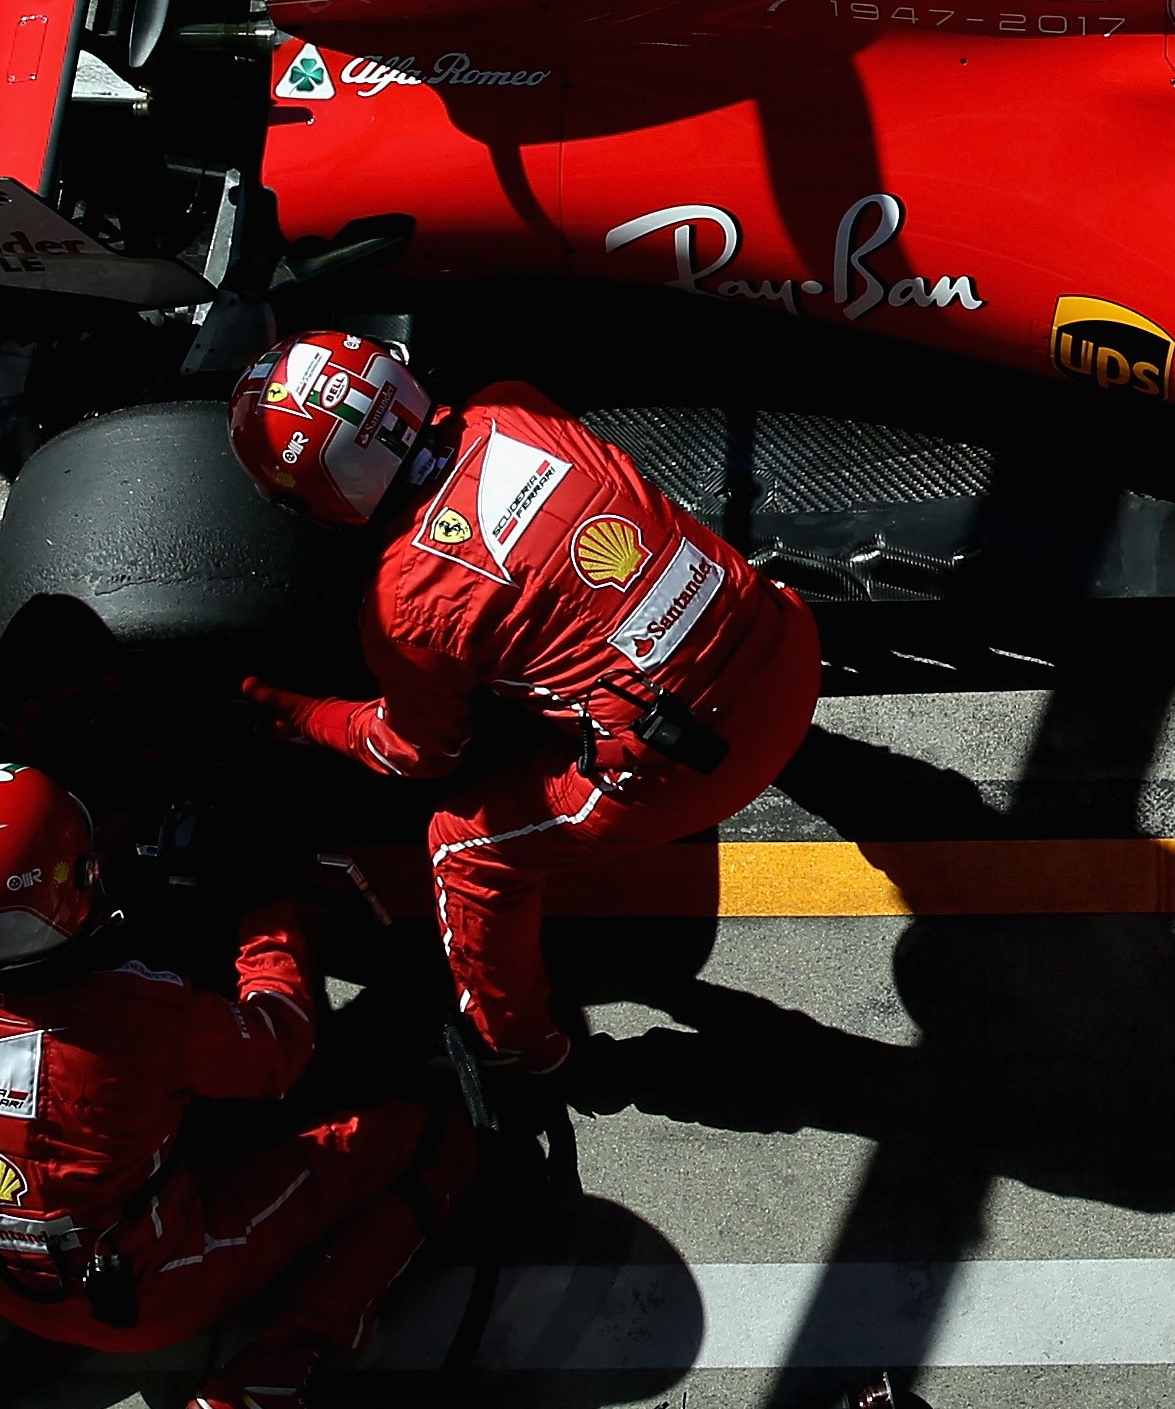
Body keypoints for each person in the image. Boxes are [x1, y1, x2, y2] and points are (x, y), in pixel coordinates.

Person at [228, 331, 824, 1097]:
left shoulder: (405, 602)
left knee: (462, 850)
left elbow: (419, 754)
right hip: (788, 643)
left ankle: (525, 1053)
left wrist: (305, 716)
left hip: (704, 766)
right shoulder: (516, 407)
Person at [0, 759, 477, 1409]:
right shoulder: (137, 1017)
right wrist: (272, 909)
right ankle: (272, 1373)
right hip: (148, 1293)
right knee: (436, 1141)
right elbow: (277, 1051)